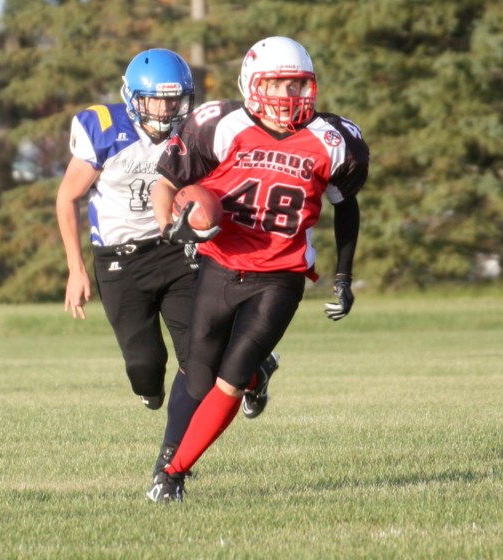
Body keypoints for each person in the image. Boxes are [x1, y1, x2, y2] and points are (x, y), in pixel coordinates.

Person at [146, 36, 370, 503]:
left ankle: (172, 473)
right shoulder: (218, 124)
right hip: (220, 264)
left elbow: (346, 207)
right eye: (278, 83)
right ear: (251, 83)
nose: (289, 95)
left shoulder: (333, 138)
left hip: (280, 275)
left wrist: (343, 278)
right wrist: (172, 227)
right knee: (200, 375)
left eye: (298, 84)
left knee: (229, 377)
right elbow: (167, 184)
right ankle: (256, 377)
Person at [56, 48, 198, 419]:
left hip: (174, 250)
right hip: (120, 257)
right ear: (134, 97)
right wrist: (76, 269)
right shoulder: (105, 129)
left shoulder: (193, 132)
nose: (165, 110)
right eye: (156, 100)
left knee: (199, 357)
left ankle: (182, 441)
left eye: (173, 100)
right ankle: (149, 389)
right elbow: (67, 197)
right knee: (144, 368)